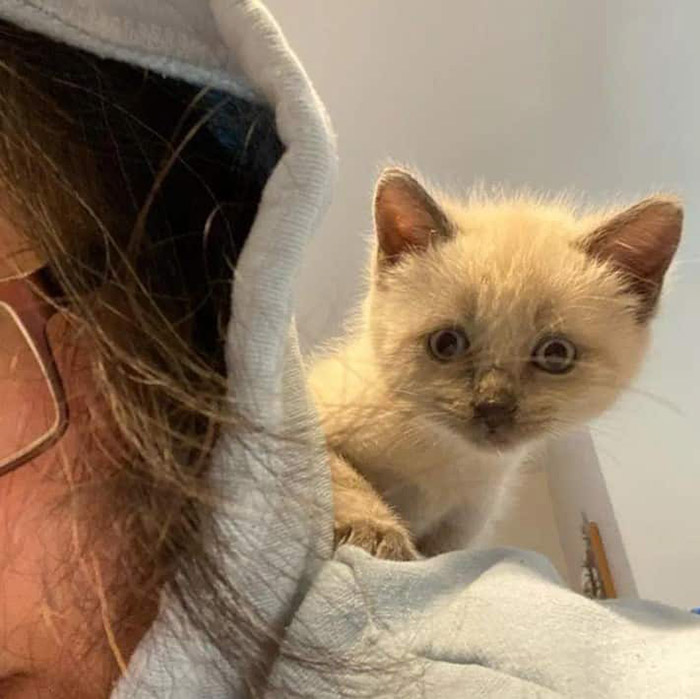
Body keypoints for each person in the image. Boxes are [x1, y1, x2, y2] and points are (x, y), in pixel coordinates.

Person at [0, 2, 698, 699]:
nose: (493, 399)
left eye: (553, 357)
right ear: (392, 265)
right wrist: (362, 512)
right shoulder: (349, 403)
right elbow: (289, 457)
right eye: (448, 344)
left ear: (638, 297)